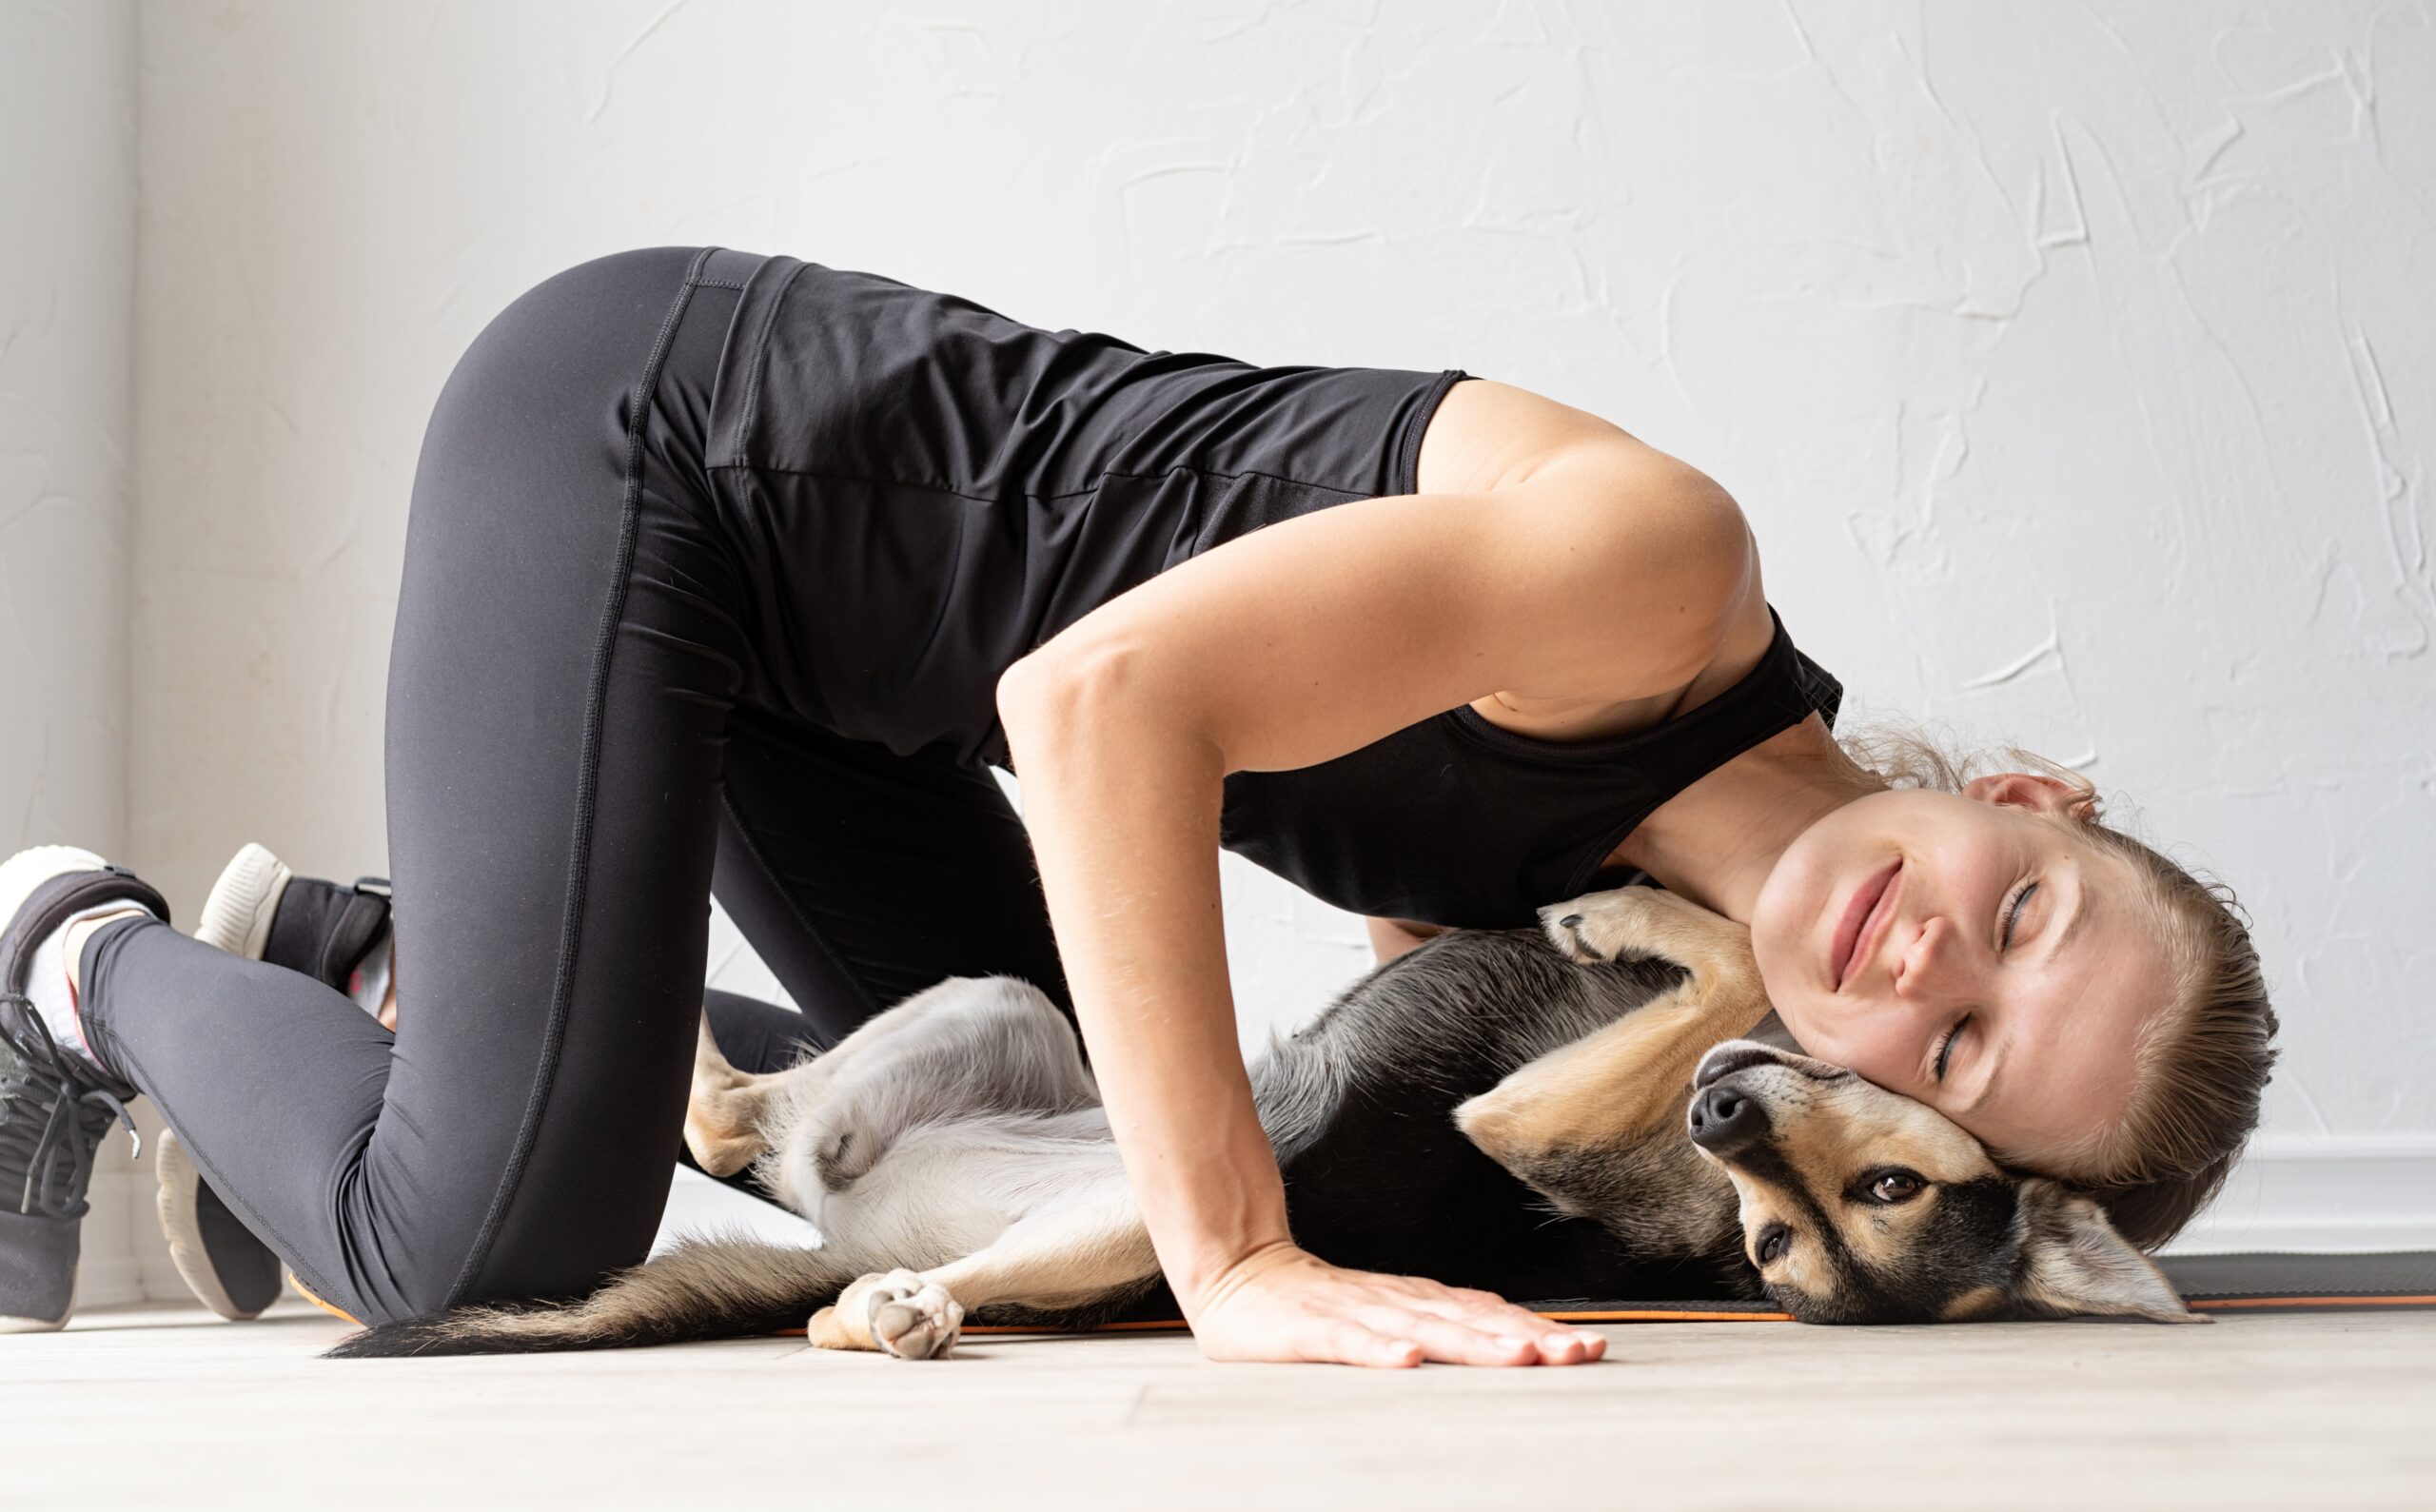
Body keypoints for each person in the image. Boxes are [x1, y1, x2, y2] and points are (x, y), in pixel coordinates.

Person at [0, 245, 2275, 1364]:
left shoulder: (1624, 909)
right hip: (655, 449)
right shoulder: (1654, 573)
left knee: (1006, 1167)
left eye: (1957, 1060)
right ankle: (74, 959)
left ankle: (378, 964)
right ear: (2027, 794)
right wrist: (1245, 1258)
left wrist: (1245, 1225)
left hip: (856, 690)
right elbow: (1100, 705)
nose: (1926, 966)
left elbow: (1328, 1008)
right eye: (2029, 912)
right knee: (478, 1245)